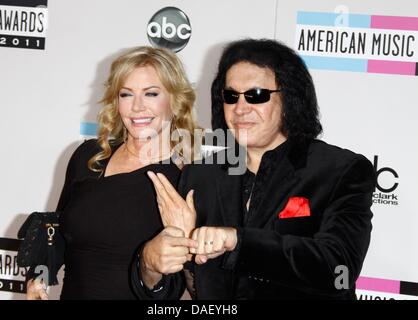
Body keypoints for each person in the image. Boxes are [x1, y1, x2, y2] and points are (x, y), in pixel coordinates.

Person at [133, 39, 376, 299]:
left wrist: (237, 241)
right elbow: (184, 289)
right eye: (230, 96)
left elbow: (339, 268)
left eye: (256, 95)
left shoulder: (339, 171)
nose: (240, 108)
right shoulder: (200, 175)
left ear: (290, 98)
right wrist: (150, 267)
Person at [26, 46, 198, 299]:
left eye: (151, 93)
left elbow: (200, 289)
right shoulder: (89, 157)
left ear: (175, 101)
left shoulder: (190, 179)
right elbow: (57, 230)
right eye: (126, 94)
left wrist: (190, 246)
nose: (137, 107)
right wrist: (38, 278)